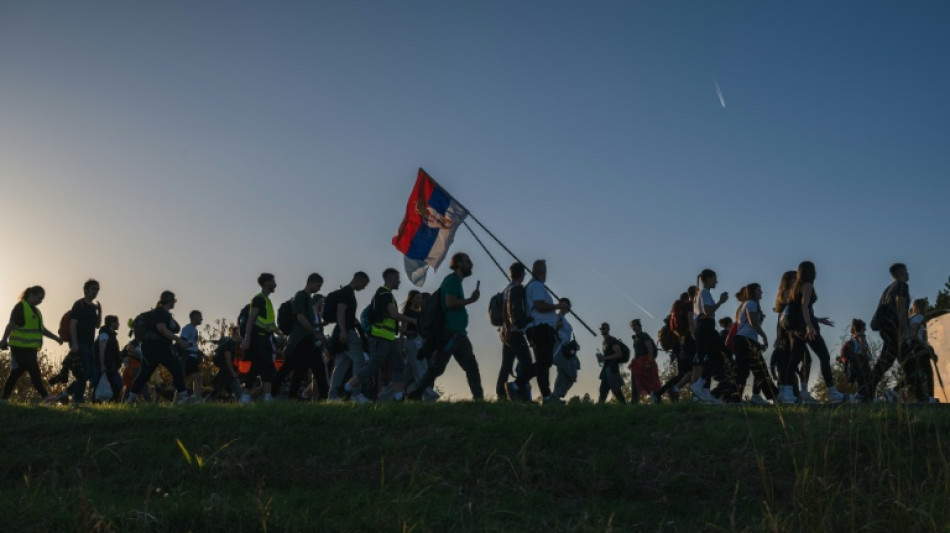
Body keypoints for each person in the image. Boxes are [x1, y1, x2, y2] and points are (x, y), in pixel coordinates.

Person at [414, 252, 485, 400]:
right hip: (451, 333)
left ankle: (479, 397)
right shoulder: (452, 280)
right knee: (439, 367)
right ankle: (417, 392)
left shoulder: (455, 281)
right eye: (467, 261)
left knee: (470, 365)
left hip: (458, 333)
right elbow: (450, 302)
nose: (470, 264)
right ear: (458, 264)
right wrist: (471, 299)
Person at [345, 268, 416, 403]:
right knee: (374, 366)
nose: (399, 281)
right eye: (397, 278)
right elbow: (393, 315)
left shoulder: (387, 294)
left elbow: (390, 319)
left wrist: (404, 331)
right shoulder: (384, 293)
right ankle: (349, 386)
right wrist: (412, 320)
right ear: (390, 278)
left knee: (399, 365)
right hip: (380, 337)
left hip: (390, 338)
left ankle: (398, 397)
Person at [786, 261, 845, 404]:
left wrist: (817, 319)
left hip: (797, 329)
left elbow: (801, 309)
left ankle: (786, 393)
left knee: (794, 360)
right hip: (807, 328)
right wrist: (810, 325)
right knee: (824, 356)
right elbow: (805, 307)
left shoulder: (796, 287)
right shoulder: (807, 285)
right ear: (811, 271)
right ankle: (832, 393)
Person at [0, 286, 63, 401]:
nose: (41, 301)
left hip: (31, 348)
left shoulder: (37, 312)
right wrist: (3, 340)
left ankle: (4, 398)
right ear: (31, 295)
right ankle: (46, 396)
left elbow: (42, 330)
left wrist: (56, 338)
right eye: (39, 298)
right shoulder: (21, 307)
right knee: (34, 370)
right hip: (19, 346)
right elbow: (11, 324)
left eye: (42, 299)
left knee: (16, 373)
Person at [127, 291, 190, 403]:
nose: (174, 303)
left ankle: (131, 399)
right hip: (155, 347)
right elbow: (161, 329)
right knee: (172, 370)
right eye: (173, 300)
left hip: (156, 347)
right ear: (169, 300)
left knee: (148, 373)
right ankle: (185, 397)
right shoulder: (160, 313)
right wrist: (179, 340)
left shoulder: (162, 314)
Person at [273, 274, 328, 400]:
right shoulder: (300, 296)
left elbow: (307, 319)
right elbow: (300, 317)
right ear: (312, 282)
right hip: (300, 340)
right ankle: (272, 393)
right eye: (318, 285)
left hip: (307, 340)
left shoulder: (308, 298)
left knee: (302, 369)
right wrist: (315, 332)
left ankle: (292, 397)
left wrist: (319, 324)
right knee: (291, 368)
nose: (319, 289)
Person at [524, 260, 571, 403]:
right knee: (544, 363)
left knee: (544, 363)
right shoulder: (537, 286)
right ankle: (545, 395)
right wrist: (558, 305)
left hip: (540, 328)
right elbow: (539, 306)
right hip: (540, 327)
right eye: (545, 271)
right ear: (541, 272)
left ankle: (544, 395)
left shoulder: (534, 286)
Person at [869, 263, 911, 400]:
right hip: (895, 329)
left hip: (887, 328)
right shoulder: (902, 286)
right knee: (910, 364)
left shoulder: (889, 288)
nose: (908, 272)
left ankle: (867, 392)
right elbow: (900, 307)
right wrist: (904, 330)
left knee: (885, 362)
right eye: (906, 270)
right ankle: (867, 393)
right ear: (900, 272)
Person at [327, 272, 370, 401]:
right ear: (358, 280)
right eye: (364, 284)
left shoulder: (347, 293)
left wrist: (352, 320)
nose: (364, 287)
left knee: (341, 365)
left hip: (343, 331)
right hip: (347, 333)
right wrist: (343, 331)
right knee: (359, 360)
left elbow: (344, 313)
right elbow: (340, 310)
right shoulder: (347, 292)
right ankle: (356, 394)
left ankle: (332, 396)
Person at [732, 284, 777, 405]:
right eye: (758, 290)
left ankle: (734, 398)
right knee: (758, 369)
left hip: (746, 339)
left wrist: (757, 343)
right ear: (752, 292)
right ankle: (774, 396)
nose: (761, 291)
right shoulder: (751, 303)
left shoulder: (748, 304)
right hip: (745, 339)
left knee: (750, 370)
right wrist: (764, 336)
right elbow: (752, 322)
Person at [498, 262, 536, 402]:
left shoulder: (507, 288)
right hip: (514, 331)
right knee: (527, 363)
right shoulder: (517, 288)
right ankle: (518, 389)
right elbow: (513, 310)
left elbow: (503, 310)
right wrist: (521, 322)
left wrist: (506, 327)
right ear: (521, 274)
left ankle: (500, 395)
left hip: (504, 332)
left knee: (506, 365)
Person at [689, 269, 728, 404]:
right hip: (705, 326)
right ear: (708, 279)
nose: (716, 281)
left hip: (705, 327)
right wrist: (721, 302)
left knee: (710, 358)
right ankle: (699, 385)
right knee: (715, 357)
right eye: (714, 278)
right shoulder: (704, 292)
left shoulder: (702, 294)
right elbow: (707, 312)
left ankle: (704, 392)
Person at [240, 273, 279, 403]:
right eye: (273, 282)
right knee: (266, 365)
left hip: (264, 338)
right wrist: (247, 339)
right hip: (259, 338)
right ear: (267, 283)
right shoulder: (259, 299)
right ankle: (266, 396)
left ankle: (247, 396)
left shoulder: (267, 301)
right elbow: (251, 319)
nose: (275, 284)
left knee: (257, 366)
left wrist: (280, 335)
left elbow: (270, 324)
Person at [655, 288, 696, 402]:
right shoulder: (685, 311)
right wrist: (682, 349)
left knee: (686, 373)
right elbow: (682, 333)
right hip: (683, 346)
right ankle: (665, 392)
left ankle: (666, 393)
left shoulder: (674, 315)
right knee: (687, 372)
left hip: (679, 347)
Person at [69, 279, 102, 401]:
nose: (95, 292)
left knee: (91, 373)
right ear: (86, 290)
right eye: (93, 289)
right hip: (79, 342)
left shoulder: (93, 307)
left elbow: (97, 325)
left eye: (97, 290)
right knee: (84, 371)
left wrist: (100, 312)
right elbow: (72, 324)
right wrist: (74, 343)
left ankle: (68, 391)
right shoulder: (79, 304)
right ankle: (77, 400)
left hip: (89, 344)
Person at [773, 271, 800, 403]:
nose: (797, 281)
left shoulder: (789, 293)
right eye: (794, 278)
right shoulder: (787, 293)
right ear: (788, 281)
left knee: (790, 361)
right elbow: (783, 316)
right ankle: (785, 391)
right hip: (786, 331)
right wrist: (779, 336)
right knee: (787, 362)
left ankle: (789, 391)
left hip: (787, 330)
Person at [550, 298, 579, 403]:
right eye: (566, 305)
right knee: (563, 372)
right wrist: (556, 326)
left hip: (567, 348)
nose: (568, 307)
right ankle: (555, 397)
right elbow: (550, 330)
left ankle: (556, 395)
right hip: (559, 347)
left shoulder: (565, 321)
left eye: (569, 306)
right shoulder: (556, 317)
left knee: (571, 372)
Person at [400, 290, 427, 395]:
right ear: (411, 300)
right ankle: (429, 395)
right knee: (422, 369)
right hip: (412, 342)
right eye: (417, 298)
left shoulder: (421, 314)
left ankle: (387, 395)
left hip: (421, 343)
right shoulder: (408, 312)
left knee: (407, 374)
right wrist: (401, 345)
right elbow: (402, 329)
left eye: (421, 298)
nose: (420, 300)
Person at [840, 319, 873, 403]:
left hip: (854, 364)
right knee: (865, 381)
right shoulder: (861, 337)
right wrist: (867, 357)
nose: (865, 330)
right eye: (864, 328)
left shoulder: (852, 338)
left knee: (860, 382)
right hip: (861, 362)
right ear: (861, 328)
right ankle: (857, 397)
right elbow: (862, 348)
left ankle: (857, 397)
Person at [628, 319, 661, 403]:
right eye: (632, 326)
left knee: (652, 383)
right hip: (637, 364)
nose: (633, 327)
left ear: (639, 326)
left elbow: (650, 349)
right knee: (635, 384)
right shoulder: (635, 338)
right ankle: (634, 403)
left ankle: (658, 402)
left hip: (646, 362)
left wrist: (648, 362)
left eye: (635, 325)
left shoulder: (644, 335)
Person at [210, 326, 244, 401]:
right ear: (237, 334)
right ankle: (204, 402)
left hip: (227, 372)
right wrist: (233, 372)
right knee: (217, 391)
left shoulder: (233, 344)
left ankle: (204, 402)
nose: (242, 337)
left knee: (235, 391)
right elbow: (227, 360)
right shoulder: (229, 344)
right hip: (226, 371)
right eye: (241, 334)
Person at [95, 315, 124, 401]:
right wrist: (102, 365)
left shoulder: (111, 335)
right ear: (112, 323)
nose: (118, 324)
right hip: (106, 365)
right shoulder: (104, 334)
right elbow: (101, 351)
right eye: (117, 322)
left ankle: (113, 403)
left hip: (111, 365)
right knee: (116, 385)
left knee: (117, 386)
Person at [597, 323, 626, 404]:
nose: (602, 330)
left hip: (612, 369)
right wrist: (602, 358)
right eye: (601, 328)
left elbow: (619, 354)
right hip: (606, 368)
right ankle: (599, 408)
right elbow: (607, 355)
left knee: (616, 389)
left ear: (608, 329)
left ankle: (624, 406)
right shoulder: (604, 342)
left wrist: (605, 358)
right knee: (603, 390)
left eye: (604, 328)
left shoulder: (612, 340)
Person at [179, 310, 204, 402]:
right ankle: (199, 400)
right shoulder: (188, 328)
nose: (201, 319)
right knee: (197, 377)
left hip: (192, 357)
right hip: (188, 357)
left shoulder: (194, 330)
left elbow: (193, 345)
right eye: (200, 316)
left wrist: (202, 354)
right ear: (194, 317)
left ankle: (175, 401)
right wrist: (190, 344)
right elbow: (182, 342)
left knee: (185, 381)